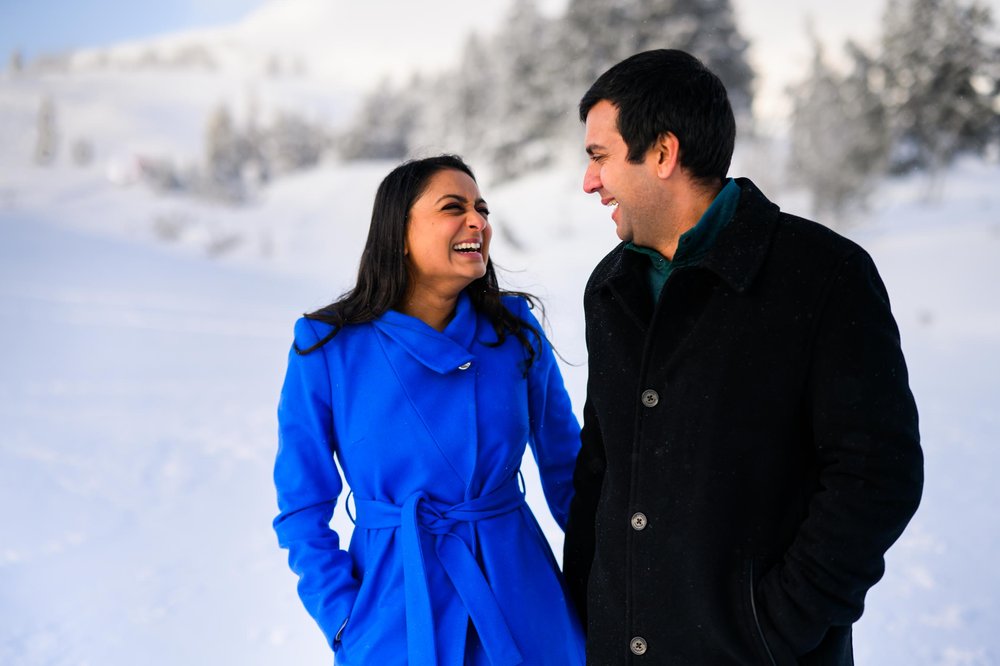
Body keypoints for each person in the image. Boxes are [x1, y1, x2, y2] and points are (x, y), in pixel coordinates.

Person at [562, 49, 923, 664]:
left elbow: (876, 474)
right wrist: (586, 608)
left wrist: (775, 626)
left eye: (600, 156)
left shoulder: (823, 274)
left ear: (662, 153)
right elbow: (602, 466)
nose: (589, 180)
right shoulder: (609, 287)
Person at [273, 155, 585, 665]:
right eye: (453, 207)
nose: (478, 222)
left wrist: (617, 586)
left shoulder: (514, 332)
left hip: (522, 599)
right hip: (395, 607)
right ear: (399, 233)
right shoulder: (327, 346)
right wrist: (343, 617)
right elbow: (301, 505)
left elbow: (569, 472)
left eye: (481, 209)